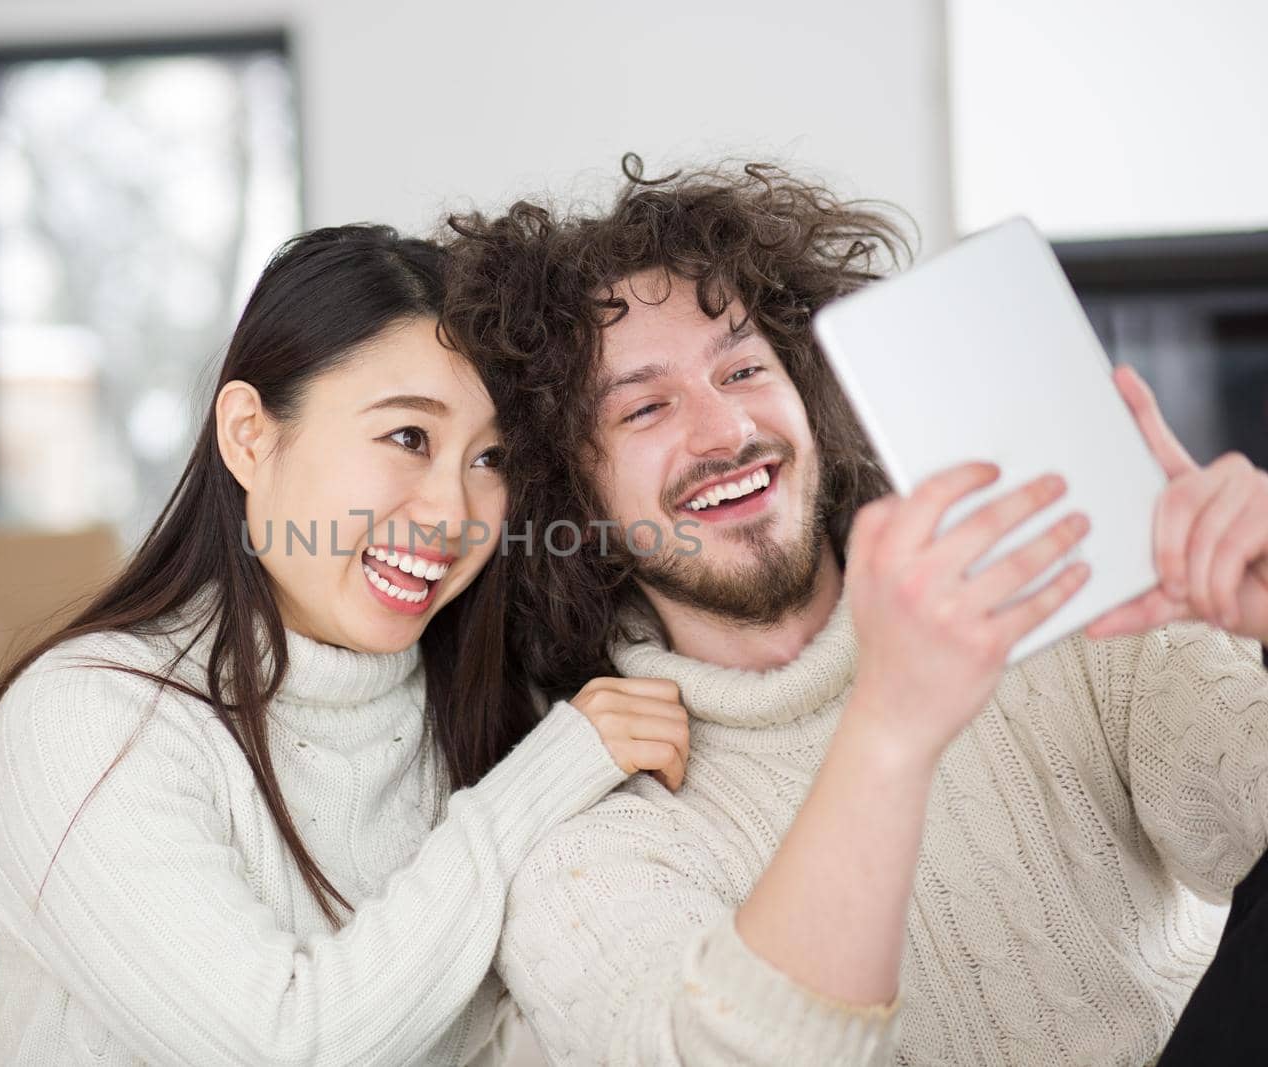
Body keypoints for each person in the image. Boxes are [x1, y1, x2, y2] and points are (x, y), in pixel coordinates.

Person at [442, 160, 1268, 1064]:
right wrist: (891, 724)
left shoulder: (1065, 608)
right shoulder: (587, 839)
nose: (726, 432)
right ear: (573, 497)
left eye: (745, 368)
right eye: (646, 408)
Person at [0, 224, 691, 1065]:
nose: (452, 512)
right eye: (409, 436)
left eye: (491, 458)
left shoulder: (499, 717)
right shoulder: (88, 719)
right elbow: (284, 1045)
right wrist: (547, 775)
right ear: (250, 434)